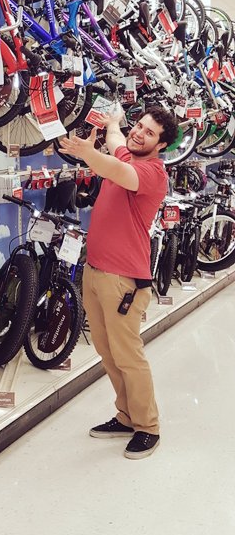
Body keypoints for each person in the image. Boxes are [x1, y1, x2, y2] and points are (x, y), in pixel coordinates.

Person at [59, 106, 179, 459]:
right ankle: (126, 416)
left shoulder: (152, 173)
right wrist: (113, 124)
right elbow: (116, 145)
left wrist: (88, 154)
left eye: (149, 133)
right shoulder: (129, 151)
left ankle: (147, 426)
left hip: (123, 281)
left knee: (128, 356)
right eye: (138, 125)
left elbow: (114, 167)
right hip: (95, 272)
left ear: (162, 145)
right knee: (107, 353)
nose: (139, 133)